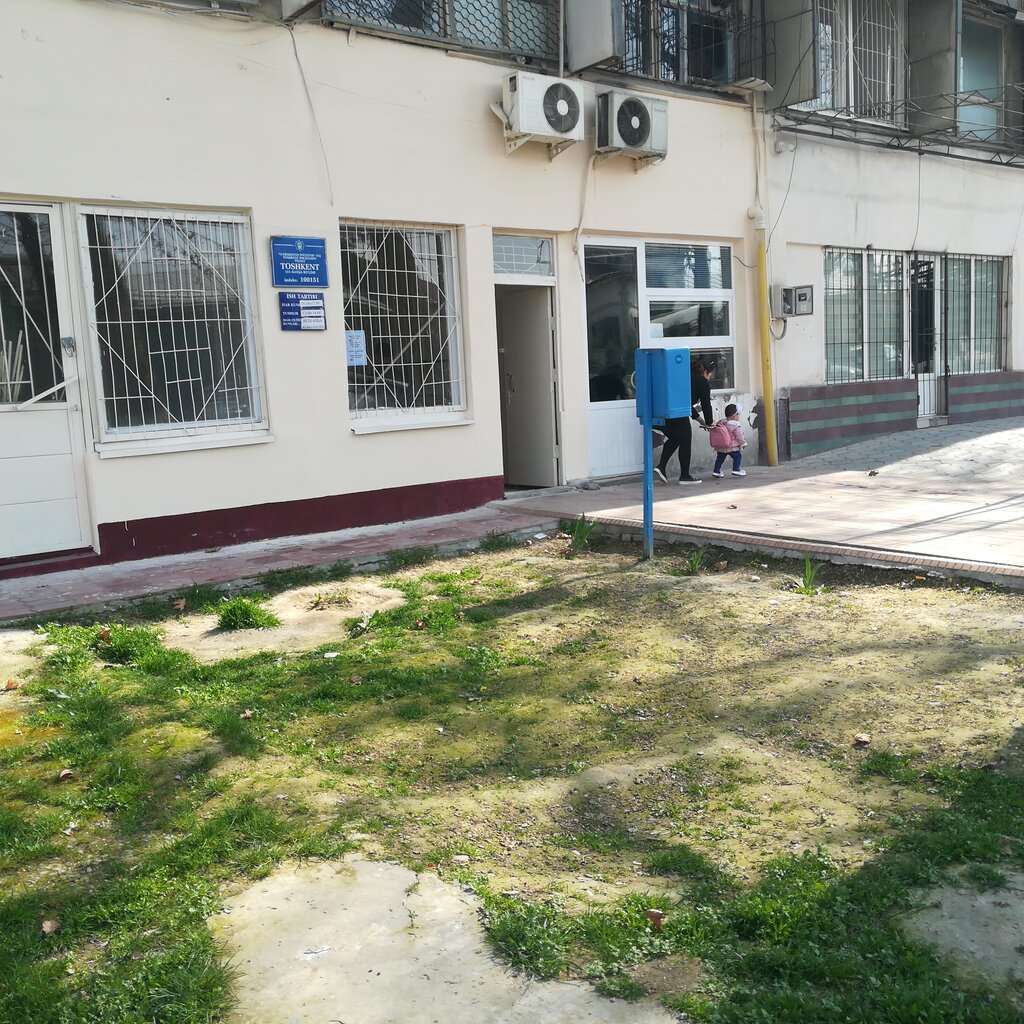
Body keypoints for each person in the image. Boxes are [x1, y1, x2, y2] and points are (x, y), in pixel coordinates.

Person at [654, 359, 714, 485]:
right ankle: (685, 476)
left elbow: (687, 405)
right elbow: (706, 404)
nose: (709, 378)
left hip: (662, 410)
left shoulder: (684, 377)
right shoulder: (702, 382)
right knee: (685, 438)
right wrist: (709, 422)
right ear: (705, 372)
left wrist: (701, 421)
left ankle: (661, 467)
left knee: (676, 438)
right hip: (677, 413)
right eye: (709, 375)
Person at [710, 403, 748, 478]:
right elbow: (739, 436)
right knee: (737, 456)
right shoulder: (735, 425)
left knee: (720, 459)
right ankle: (736, 469)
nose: (739, 417)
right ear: (734, 416)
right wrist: (743, 443)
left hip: (721, 447)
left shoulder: (721, 423)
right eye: (738, 415)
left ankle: (716, 471)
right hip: (732, 447)